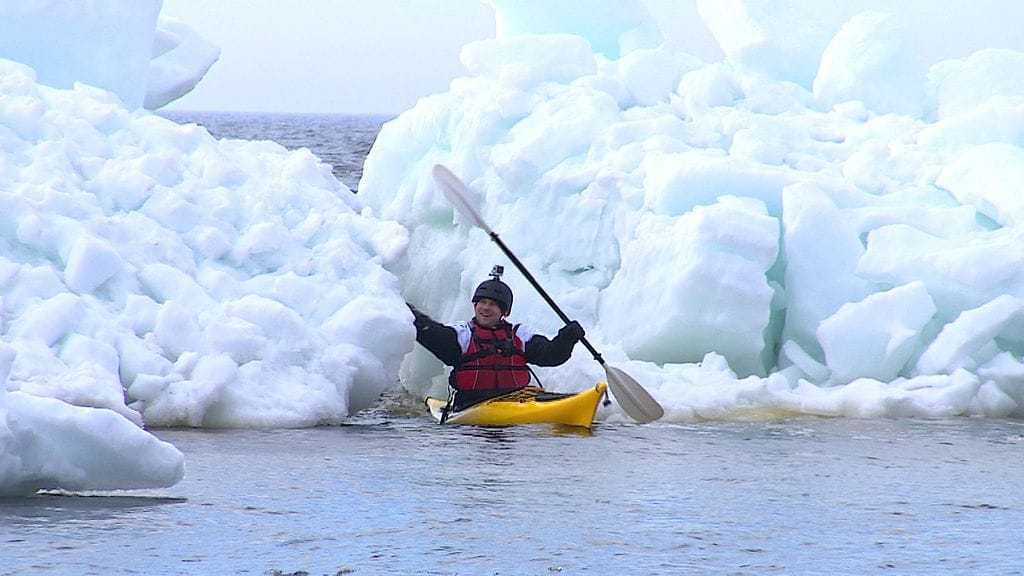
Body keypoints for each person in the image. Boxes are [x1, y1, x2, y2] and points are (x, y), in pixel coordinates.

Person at [408, 265, 586, 410]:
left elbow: (551, 356)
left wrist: (567, 337)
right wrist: (411, 315)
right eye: (482, 302)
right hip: (471, 405)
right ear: (475, 305)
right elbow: (431, 334)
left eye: (493, 304)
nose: (485, 308)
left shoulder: (520, 334)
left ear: (505, 312)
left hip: (516, 400)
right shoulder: (462, 333)